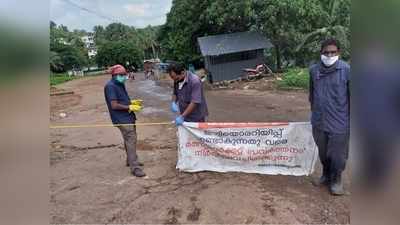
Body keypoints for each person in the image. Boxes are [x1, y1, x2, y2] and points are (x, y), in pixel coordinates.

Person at [309, 38, 350, 195]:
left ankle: (336, 180)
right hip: (319, 121)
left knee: (338, 155)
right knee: (323, 152)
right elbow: (312, 94)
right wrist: (314, 112)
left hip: (340, 121)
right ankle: (326, 175)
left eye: (333, 52)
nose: (329, 55)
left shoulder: (347, 70)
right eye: (326, 52)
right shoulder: (314, 70)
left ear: (338, 53)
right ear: (321, 53)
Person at [104, 64, 145, 177]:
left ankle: (130, 160)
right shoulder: (111, 86)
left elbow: (122, 99)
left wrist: (132, 102)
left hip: (128, 117)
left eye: (124, 74)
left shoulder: (119, 83)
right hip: (121, 118)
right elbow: (114, 105)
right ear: (114, 75)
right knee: (131, 140)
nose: (124, 77)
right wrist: (129, 107)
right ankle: (135, 167)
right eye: (121, 75)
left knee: (129, 140)